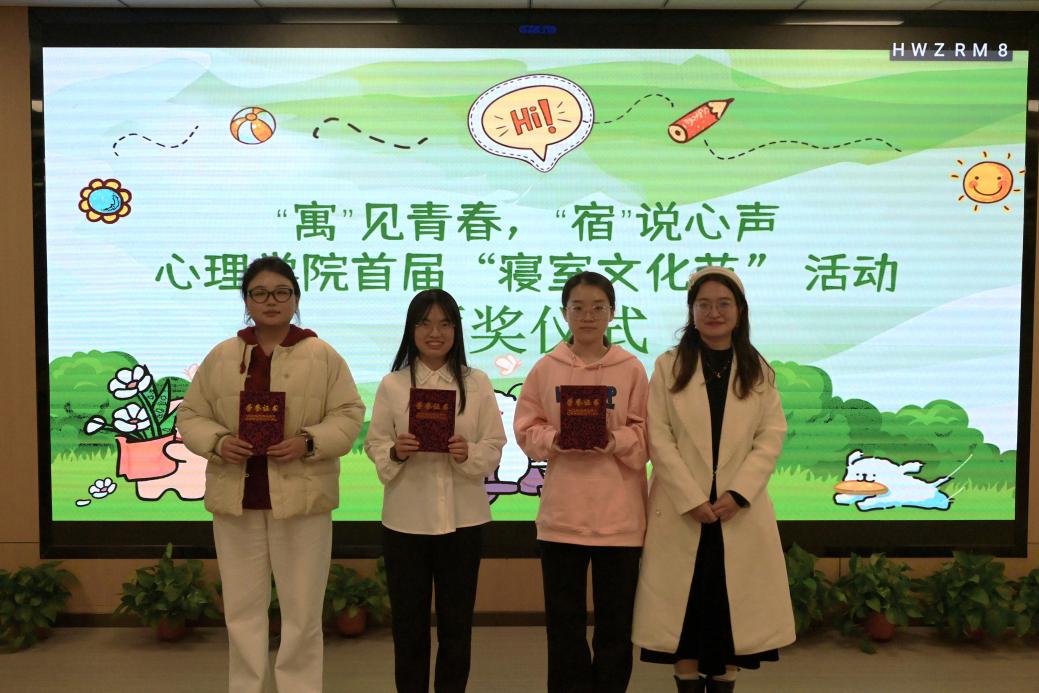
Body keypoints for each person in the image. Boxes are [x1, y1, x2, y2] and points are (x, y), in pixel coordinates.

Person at [177, 256, 365, 693]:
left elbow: (349, 413)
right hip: (236, 499)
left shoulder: (322, 354)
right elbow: (191, 414)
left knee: (303, 612)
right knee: (241, 610)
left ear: (296, 298)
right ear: (246, 301)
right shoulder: (223, 355)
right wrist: (218, 442)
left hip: (303, 499)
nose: (271, 300)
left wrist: (309, 441)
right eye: (259, 293)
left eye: (282, 291)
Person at [632, 266, 793, 693]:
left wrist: (739, 494)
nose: (714, 312)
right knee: (684, 616)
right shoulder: (669, 366)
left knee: (730, 615)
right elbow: (658, 436)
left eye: (724, 304)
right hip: (683, 510)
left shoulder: (757, 369)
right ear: (692, 311)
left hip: (736, 511)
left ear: (740, 311)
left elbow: (771, 436)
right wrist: (690, 497)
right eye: (703, 304)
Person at [513, 271, 650, 693]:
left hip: (620, 520)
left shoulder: (631, 369)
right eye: (578, 307)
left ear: (612, 313)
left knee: (616, 628)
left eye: (597, 308)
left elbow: (648, 436)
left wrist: (614, 440)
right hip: (562, 519)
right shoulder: (546, 368)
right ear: (564, 313)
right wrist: (554, 440)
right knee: (564, 628)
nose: (588, 316)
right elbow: (525, 429)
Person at [365, 289, 506, 693]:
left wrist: (468, 452)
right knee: (408, 627)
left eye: (445, 323)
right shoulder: (393, 385)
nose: (435, 332)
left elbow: (494, 444)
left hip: (464, 521)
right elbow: (376, 443)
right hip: (405, 522)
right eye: (424, 323)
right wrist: (396, 451)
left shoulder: (477, 383)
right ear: (411, 330)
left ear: (456, 330)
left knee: (456, 627)